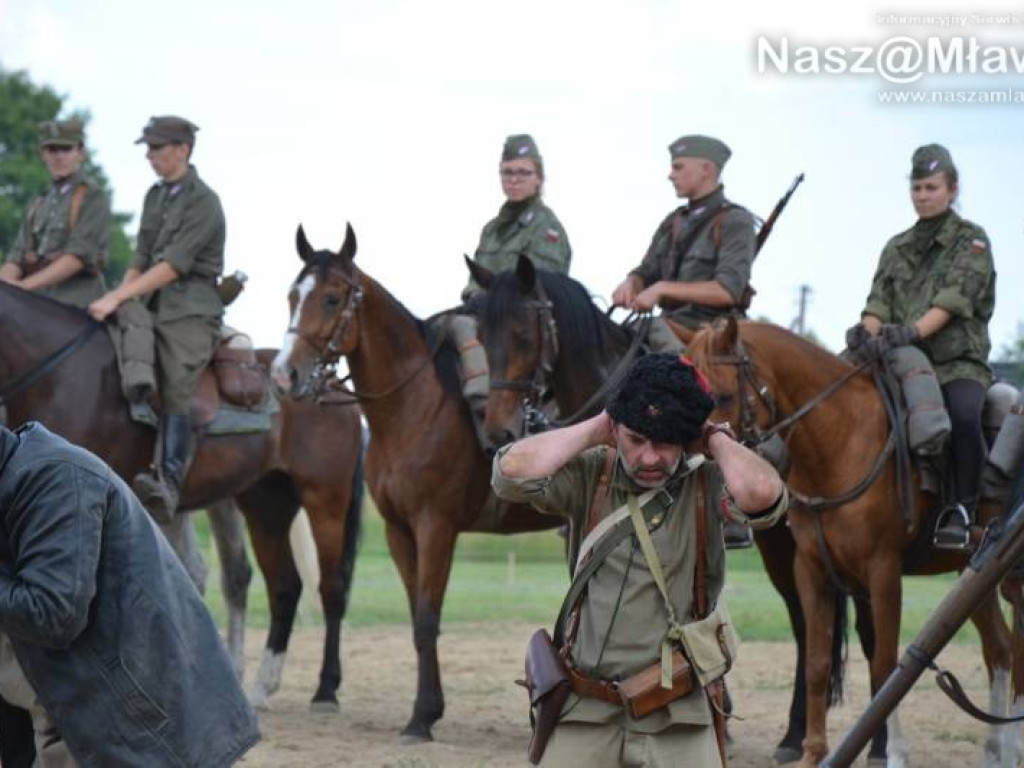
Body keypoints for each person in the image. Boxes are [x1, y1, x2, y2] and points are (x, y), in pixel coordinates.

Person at [493, 354, 786, 768]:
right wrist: (601, 426)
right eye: (636, 439)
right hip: (585, 711)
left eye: (665, 442)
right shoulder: (593, 474)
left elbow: (762, 494)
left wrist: (715, 438)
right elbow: (512, 472)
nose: (650, 458)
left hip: (677, 715)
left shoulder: (705, 481)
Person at [0, 420, 259, 767]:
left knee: (175, 387)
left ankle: (169, 468)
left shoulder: (56, 477)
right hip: (72, 716)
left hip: (135, 728)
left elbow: (52, 613)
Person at [848, 143, 996, 550]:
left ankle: (962, 512)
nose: (923, 196)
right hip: (897, 362)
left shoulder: (972, 242)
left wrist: (911, 332)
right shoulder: (896, 246)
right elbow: (877, 303)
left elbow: (952, 302)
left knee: (965, 416)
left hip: (955, 364)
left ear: (952, 188)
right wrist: (870, 332)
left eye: (931, 187)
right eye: (917, 188)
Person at [89, 115, 225, 524]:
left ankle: (168, 479)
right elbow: (141, 258)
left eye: (156, 148)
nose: (149, 156)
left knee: (175, 377)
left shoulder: (205, 200)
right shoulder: (155, 196)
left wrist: (119, 295)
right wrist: (115, 299)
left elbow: (172, 266)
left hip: (191, 310)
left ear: (182, 150)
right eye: (148, 149)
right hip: (148, 303)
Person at [453, 134, 572, 448]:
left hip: (521, 326)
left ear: (539, 178)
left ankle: (482, 399)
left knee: (462, 326)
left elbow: (540, 286)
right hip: (488, 313)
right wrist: (472, 297)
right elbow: (474, 279)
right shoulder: (492, 229)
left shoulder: (547, 229)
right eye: (508, 172)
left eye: (523, 173)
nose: (514, 179)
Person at [611, 134, 758, 353]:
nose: (671, 176)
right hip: (668, 327)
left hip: (710, 334)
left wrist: (662, 289)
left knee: (665, 362)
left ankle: (689, 382)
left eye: (678, 167)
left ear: (706, 170)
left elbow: (727, 291)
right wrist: (631, 283)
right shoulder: (674, 222)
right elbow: (647, 271)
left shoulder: (735, 221)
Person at [0, 119, 109, 308]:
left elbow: (77, 258)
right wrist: (6, 286)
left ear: (81, 153)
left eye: (66, 150)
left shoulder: (92, 196)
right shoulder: (39, 200)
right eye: (52, 150)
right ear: (43, 154)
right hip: (36, 301)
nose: (59, 157)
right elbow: (17, 256)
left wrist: (22, 288)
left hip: (77, 306)